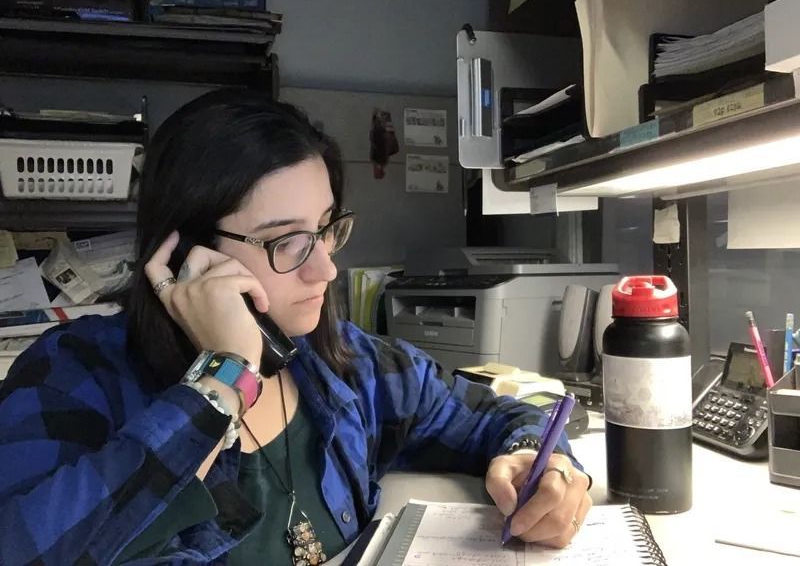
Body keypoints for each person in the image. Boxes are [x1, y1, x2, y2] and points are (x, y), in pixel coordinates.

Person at [0, 88, 592, 565]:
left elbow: (502, 415)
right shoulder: (73, 374)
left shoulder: (346, 364)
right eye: (286, 241)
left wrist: (545, 465)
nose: (327, 267)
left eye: (327, 228)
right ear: (187, 253)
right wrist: (219, 381)